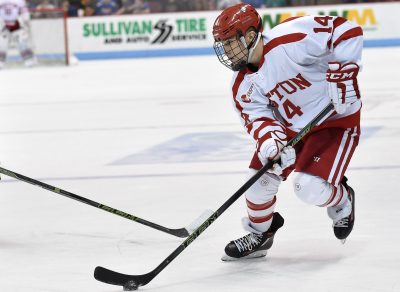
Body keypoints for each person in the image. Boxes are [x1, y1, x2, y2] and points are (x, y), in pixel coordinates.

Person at [212, 4, 362, 260]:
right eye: (222, 45)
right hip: (293, 129)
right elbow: (258, 120)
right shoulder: (241, 86)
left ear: (249, 35)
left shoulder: (290, 38)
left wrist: (344, 71)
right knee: (258, 182)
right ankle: (261, 234)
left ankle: (342, 199)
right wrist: (273, 146)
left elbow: (347, 30)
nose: (226, 51)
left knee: (308, 187)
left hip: (335, 120)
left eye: (229, 43)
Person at [0, 0, 37, 68]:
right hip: (4, 25)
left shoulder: (19, 1)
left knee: (22, 43)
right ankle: (1, 62)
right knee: (2, 44)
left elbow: (24, 12)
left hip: (17, 24)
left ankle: (29, 60)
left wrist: (26, 20)